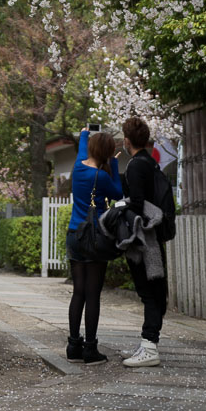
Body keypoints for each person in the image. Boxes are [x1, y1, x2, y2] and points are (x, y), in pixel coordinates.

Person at [65, 126, 123, 365]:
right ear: (107, 153)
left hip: (74, 235)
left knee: (78, 292)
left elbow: (81, 145)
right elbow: (118, 193)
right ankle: (90, 348)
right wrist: (115, 165)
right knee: (93, 293)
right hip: (95, 237)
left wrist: (85, 132)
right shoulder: (102, 176)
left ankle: (73, 345)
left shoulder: (78, 166)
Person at [121, 115, 167, 368]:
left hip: (143, 237)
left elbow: (136, 203)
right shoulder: (150, 162)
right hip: (152, 234)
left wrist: (117, 206)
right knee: (154, 292)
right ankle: (148, 343)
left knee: (149, 292)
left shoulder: (136, 165)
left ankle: (150, 346)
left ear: (127, 140)